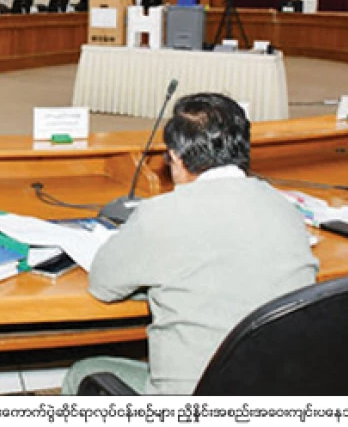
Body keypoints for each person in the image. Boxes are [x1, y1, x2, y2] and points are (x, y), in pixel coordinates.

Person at [61, 93, 318, 396]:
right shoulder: (285, 209)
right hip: (280, 393)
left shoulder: (160, 214)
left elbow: (103, 285)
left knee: (83, 373)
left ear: (176, 158)